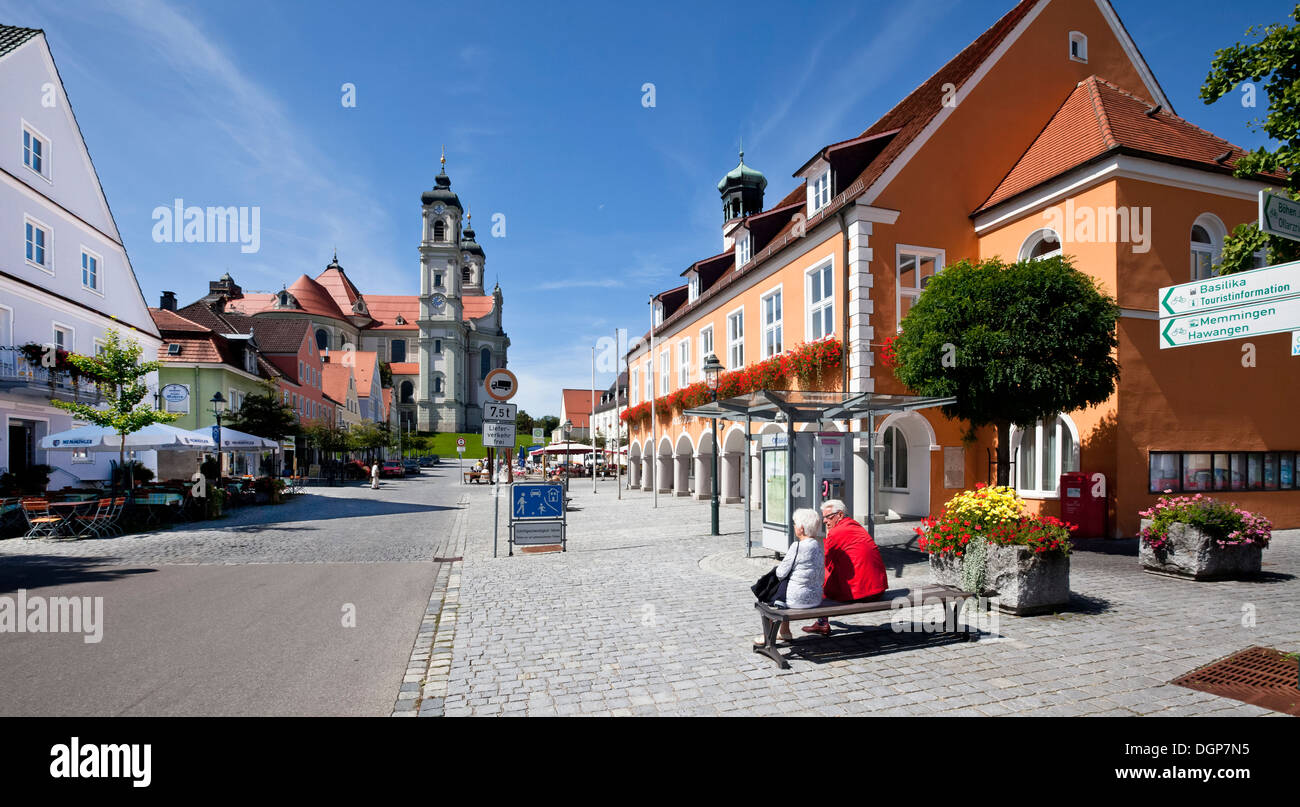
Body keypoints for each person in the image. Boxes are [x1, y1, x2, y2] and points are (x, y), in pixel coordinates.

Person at [804, 499, 888, 636]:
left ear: (840, 515)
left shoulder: (836, 533)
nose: (825, 521)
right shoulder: (856, 527)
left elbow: (825, 566)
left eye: (828, 517)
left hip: (862, 593)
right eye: (823, 517)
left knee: (823, 583)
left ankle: (822, 623)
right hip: (878, 590)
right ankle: (822, 622)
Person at [753, 509, 825, 646]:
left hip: (798, 600)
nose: (793, 526)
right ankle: (785, 631)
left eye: (795, 524)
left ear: (801, 529)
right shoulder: (818, 545)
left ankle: (767, 636)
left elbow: (780, 573)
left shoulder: (797, 546)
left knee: (776, 589)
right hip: (816, 598)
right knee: (790, 583)